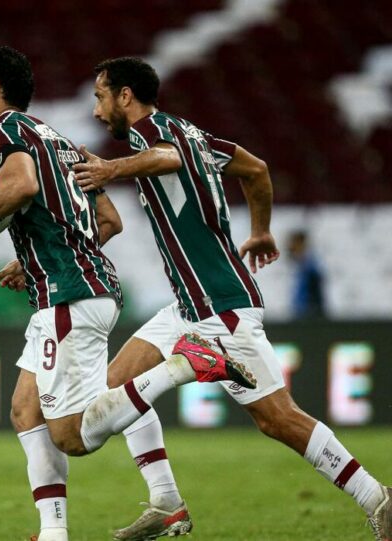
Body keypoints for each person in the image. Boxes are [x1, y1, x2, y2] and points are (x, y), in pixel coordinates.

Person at [0, 47, 254, 541]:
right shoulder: (57, 140)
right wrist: (35, 259)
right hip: (79, 285)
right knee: (26, 408)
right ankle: (53, 533)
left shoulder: (3, 132)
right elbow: (109, 219)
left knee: (72, 436)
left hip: (68, 293)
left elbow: (19, 186)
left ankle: (185, 365)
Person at [71, 56, 391, 541]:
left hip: (220, 307)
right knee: (114, 392)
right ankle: (167, 503)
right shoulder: (200, 136)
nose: (97, 111)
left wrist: (113, 169)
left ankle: (378, 499)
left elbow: (167, 157)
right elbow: (256, 170)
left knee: (277, 418)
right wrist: (260, 231)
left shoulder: (153, 132)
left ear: (125, 96)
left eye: (100, 96)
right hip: (186, 306)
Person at [287, 230, 326, 319]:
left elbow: (315, 284)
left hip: (309, 312)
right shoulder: (299, 264)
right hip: (299, 310)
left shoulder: (310, 263)